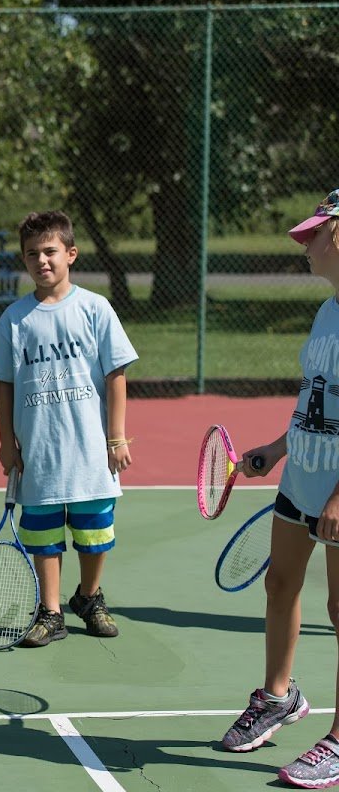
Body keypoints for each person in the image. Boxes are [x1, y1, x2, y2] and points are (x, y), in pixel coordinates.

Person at [219, 188, 339, 789]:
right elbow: (314, 403)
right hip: (302, 478)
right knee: (280, 584)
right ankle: (279, 697)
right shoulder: (326, 313)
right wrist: (278, 446)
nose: (303, 243)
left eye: (312, 234)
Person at [0, 210, 138, 648]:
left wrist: (116, 438)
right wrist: (6, 443)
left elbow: (116, 376)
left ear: (70, 253)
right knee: (44, 535)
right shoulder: (15, 318)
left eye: (50, 251)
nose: (42, 261)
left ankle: (88, 597)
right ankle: (51, 612)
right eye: (32, 254)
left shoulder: (95, 308)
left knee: (94, 532)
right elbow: (3, 384)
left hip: (90, 451)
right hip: (40, 453)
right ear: (23, 260)